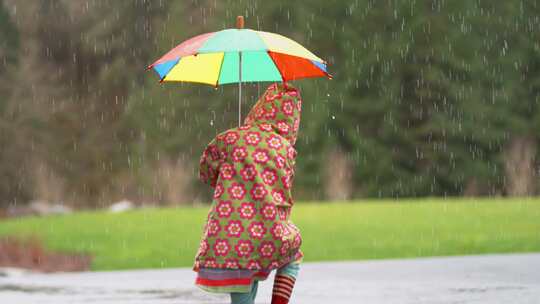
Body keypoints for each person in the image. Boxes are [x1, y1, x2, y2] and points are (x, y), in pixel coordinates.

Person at [194, 82, 303, 304]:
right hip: (269, 233)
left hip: (231, 237)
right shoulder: (286, 149)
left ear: (260, 108)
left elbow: (205, 170)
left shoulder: (229, 139)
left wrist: (227, 176)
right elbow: (283, 187)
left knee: (243, 288)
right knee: (292, 255)